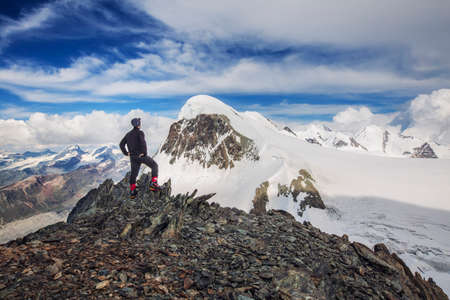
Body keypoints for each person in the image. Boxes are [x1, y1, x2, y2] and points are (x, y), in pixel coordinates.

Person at [120, 118, 159, 198]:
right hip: (140, 156)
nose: (140, 124)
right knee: (154, 166)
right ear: (138, 124)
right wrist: (144, 153)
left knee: (134, 174)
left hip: (133, 157)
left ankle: (132, 191)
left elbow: (121, 144)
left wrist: (126, 153)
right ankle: (153, 184)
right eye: (140, 122)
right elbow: (143, 143)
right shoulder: (140, 132)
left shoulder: (128, 134)